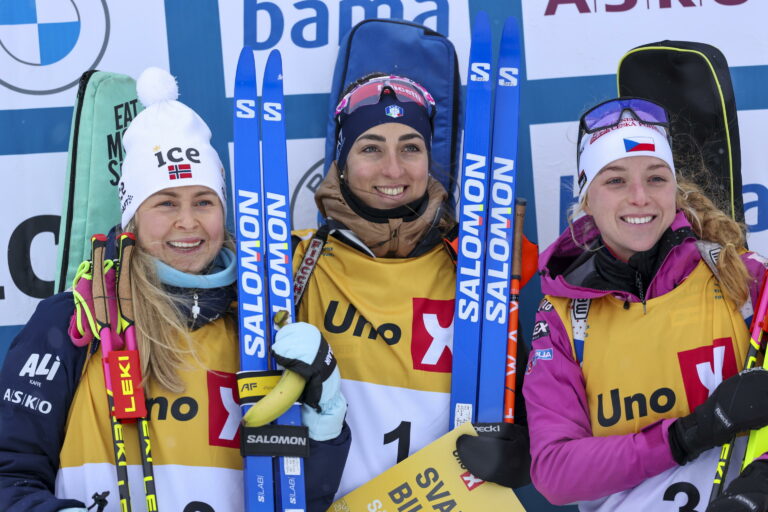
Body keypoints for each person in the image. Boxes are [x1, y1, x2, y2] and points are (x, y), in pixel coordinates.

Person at [0, 67, 348, 511]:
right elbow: (10, 474)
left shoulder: (258, 324)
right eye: (165, 203)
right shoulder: (75, 321)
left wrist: (325, 422)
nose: (188, 223)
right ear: (132, 217)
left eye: (204, 201)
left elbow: (302, 497)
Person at [272, 73, 531, 500]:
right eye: (370, 147)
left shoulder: (473, 269)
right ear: (341, 160)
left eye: (411, 147)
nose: (393, 169)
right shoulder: (295, 266)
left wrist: (521, 447)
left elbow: (523, 403)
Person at [523, 97, 768, 511]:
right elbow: (555, 471)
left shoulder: (743, 279)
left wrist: (761, 485)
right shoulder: (565, 316)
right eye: (615, 181)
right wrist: (686, 435)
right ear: (586, 197)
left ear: (674, 187)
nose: (640, 198)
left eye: (656, 178)